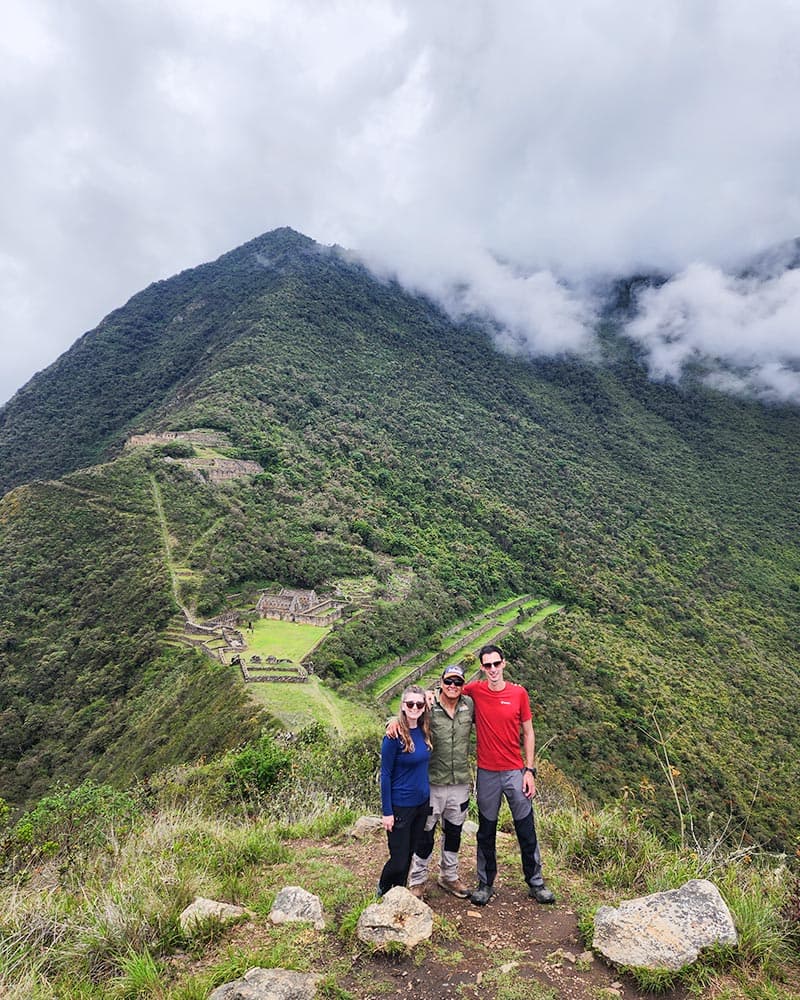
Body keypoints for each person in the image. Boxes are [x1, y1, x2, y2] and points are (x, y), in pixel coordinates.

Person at [463, 643, 555, 906]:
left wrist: (530, 770)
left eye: (496, 663)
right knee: (486, 830)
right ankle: (485, 883)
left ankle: (536, 882)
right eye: (487, 665)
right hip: (487, 773)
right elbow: (449, 689)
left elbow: (528, 732)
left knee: (525, 827)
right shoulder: (475, 691)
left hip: (515, 771)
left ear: (503, 663)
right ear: (481, 668)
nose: (492, 669)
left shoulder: (518, 694)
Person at [405, 664, 474, 899]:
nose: (452, 686)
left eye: (457, 682)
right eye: (448, 682)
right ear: (441, 683)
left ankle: (449, 876)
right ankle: (417, 880)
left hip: (460, 782)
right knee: (426, 833)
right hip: (433, 781)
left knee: (454, 831)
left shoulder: (469, 706)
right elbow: (408, 714)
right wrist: (392, 722)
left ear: (463, 686)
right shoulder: (428, 706)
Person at [377, 684, 433, 896]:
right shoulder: (394, 735)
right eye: (410, 703)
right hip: (401, 805)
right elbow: (386, 774)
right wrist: (387, 812)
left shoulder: (424, 730)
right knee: (399, 858)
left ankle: (398, 893)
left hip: (421, 803)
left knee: (409, 853)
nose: (414, 707)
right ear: (402, 705)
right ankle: (383, 890)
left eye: (419, 704)